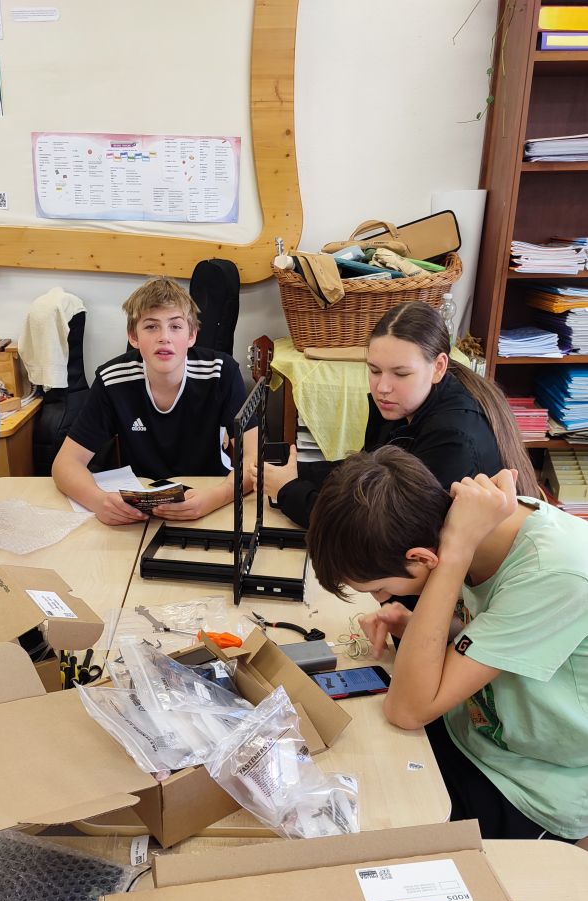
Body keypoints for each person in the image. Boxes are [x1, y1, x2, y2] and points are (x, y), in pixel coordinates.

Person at [307, 445, 588, 842]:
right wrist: (424, 626)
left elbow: (408, 711)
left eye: (379, 588)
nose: (381, 598)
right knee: (342, 775)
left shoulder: (548, 572)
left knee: (375, 834)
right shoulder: (472, 529)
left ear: (423, 558)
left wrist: (455, 555)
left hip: (532, 782)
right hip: (471, 731)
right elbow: (498, 633)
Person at [254, 301, 539, 528]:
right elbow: (365, 472)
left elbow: (379, 530)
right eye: (374, 370)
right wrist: (296, 471)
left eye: (401, 374)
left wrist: (289, 491)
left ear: (439, 367)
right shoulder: (405, 404)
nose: (383, 387)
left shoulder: (453, 438)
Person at [52, 276, 257, 525]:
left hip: (210, 497)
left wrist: (216, 497)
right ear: (133, 336)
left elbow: (255, 460)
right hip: (139, 512)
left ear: (192, 335)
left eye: (176, 326)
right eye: (151, 327)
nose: (164, 337)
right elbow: (65, 464)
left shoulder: (222, 372)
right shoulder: (111, 379)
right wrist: (98, 501)